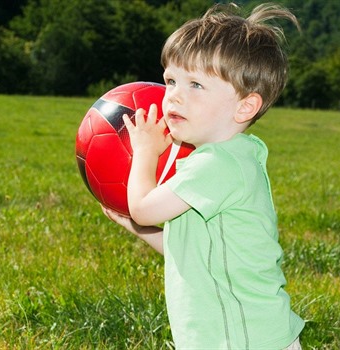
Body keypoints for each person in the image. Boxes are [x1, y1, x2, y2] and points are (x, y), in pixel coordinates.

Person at [102, 2, 305, 349]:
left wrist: (146, 151)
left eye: (195, 84)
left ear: (245, 106)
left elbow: (145, 209)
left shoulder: (219, 166)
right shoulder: (221, 160)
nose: (174, 95)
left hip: (242, 339)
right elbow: (189, 250)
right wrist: (133, 226)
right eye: (171, 80)